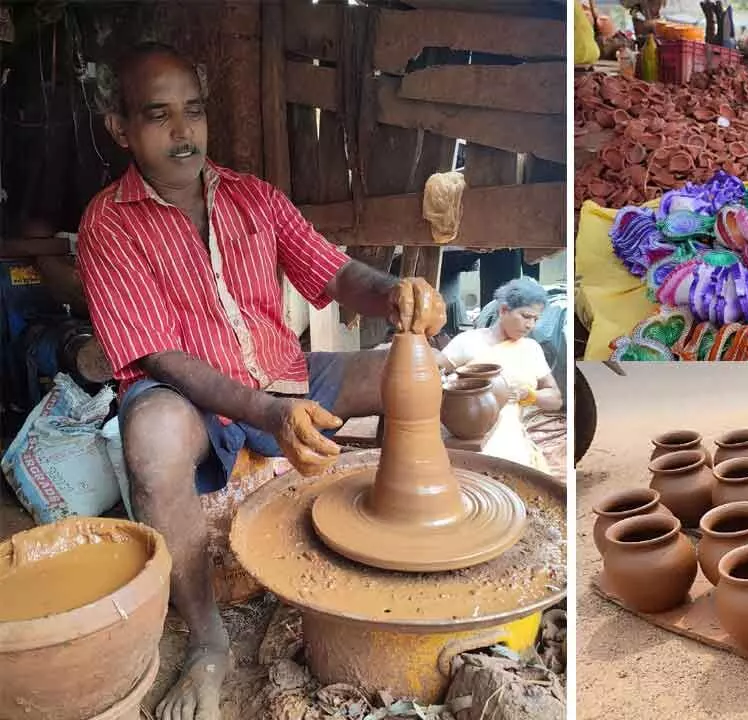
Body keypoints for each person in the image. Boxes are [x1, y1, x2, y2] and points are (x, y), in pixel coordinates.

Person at [76, 42, 434, 720]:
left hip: (284, 376)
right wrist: (269, 413)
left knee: (413, 370)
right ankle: (208, 641)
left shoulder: (254, 198)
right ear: (121, 129)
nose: (184, 132)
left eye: (194, 112)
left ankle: (407, 532)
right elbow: (160, 359)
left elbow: (335, 275)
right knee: (148, 435)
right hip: (192, 398)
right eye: (159, 115)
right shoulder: (108, 225)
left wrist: (396, 294)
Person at [437, 277, 563, 470]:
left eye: (535, 319)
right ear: (504, 310)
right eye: (526, 316)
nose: (531, 325)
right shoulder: (468, 342)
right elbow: (433, 374)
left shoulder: (531, 349)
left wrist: (529, 394)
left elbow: (555, 399)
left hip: (509, 429)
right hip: (465, 428)